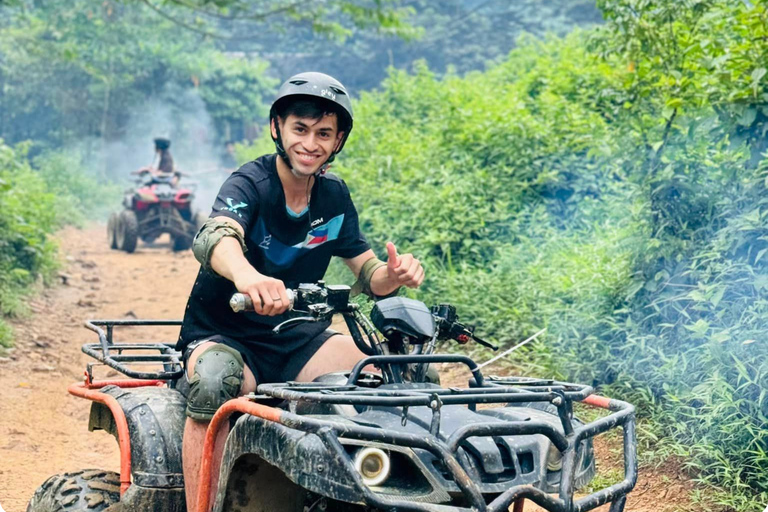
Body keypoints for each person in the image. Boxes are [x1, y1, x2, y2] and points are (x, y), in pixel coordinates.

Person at [176, 71, 425, 511]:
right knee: (216, 382)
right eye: (301, 129)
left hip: (298, 337)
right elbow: (216, 236)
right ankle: (201, 505)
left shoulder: (333, 196)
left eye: (324, 133)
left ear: (338, 140)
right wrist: (246, 276)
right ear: (278, 129)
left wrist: (393, 274)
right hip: (226, 335)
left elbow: (367, 272)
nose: (311, 143)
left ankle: (377, 497)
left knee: (391, 375)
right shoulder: (249, 184)